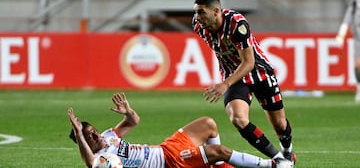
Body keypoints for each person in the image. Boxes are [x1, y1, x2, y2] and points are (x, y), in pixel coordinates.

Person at [192, 0, 295, 165]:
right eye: (196, 12)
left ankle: (287, 150)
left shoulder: (237, 23)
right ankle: (279, 160)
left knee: (280, 125)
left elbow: (249, 62)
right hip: (235, 77)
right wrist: (228, 79)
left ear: (216, 11)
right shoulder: (198, 25)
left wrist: (225, 84)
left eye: (201, 12)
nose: (197, 17)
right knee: (238, 118)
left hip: (259, 72)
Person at [68, 92, 292, 168]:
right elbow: (90, 163)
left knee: (208, 124)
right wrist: (78, 133)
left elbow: (134, 122)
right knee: (220, 151)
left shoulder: (108, 136)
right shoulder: (100, 160)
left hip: (167, 148)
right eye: (89, 135)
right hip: (170, 162)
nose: (95, 134)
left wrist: (128, 112)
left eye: (93, 130)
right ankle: (272, 164)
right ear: (83, 142)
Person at [337, 0, 360, 103]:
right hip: (358, 38)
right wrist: (342, 32)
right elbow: (349, 14)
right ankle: (359, 89)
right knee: (358, 64)